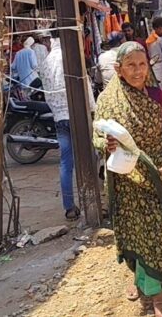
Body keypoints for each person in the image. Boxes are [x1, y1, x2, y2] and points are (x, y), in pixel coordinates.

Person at [93, 42, 162, 317]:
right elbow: (96, 134)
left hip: (154, 178)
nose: (137, 71)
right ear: (119, 70)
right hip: (125, 182)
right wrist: (103, 144)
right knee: (134, 237)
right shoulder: (107, 100)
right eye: (130, 65)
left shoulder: (158, 97)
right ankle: (154, 296)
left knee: (156, 235)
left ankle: (151, 288)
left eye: (142, 64)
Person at [43, 36, 96, 221]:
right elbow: (85, 84)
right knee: (90, 156)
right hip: (77, 115)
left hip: (59, 117)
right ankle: (92, 202)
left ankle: (69, 207)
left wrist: (56, 111)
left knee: (66, 163)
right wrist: (92, 109)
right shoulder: (71, 56)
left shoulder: (47, 61)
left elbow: (46, 93)